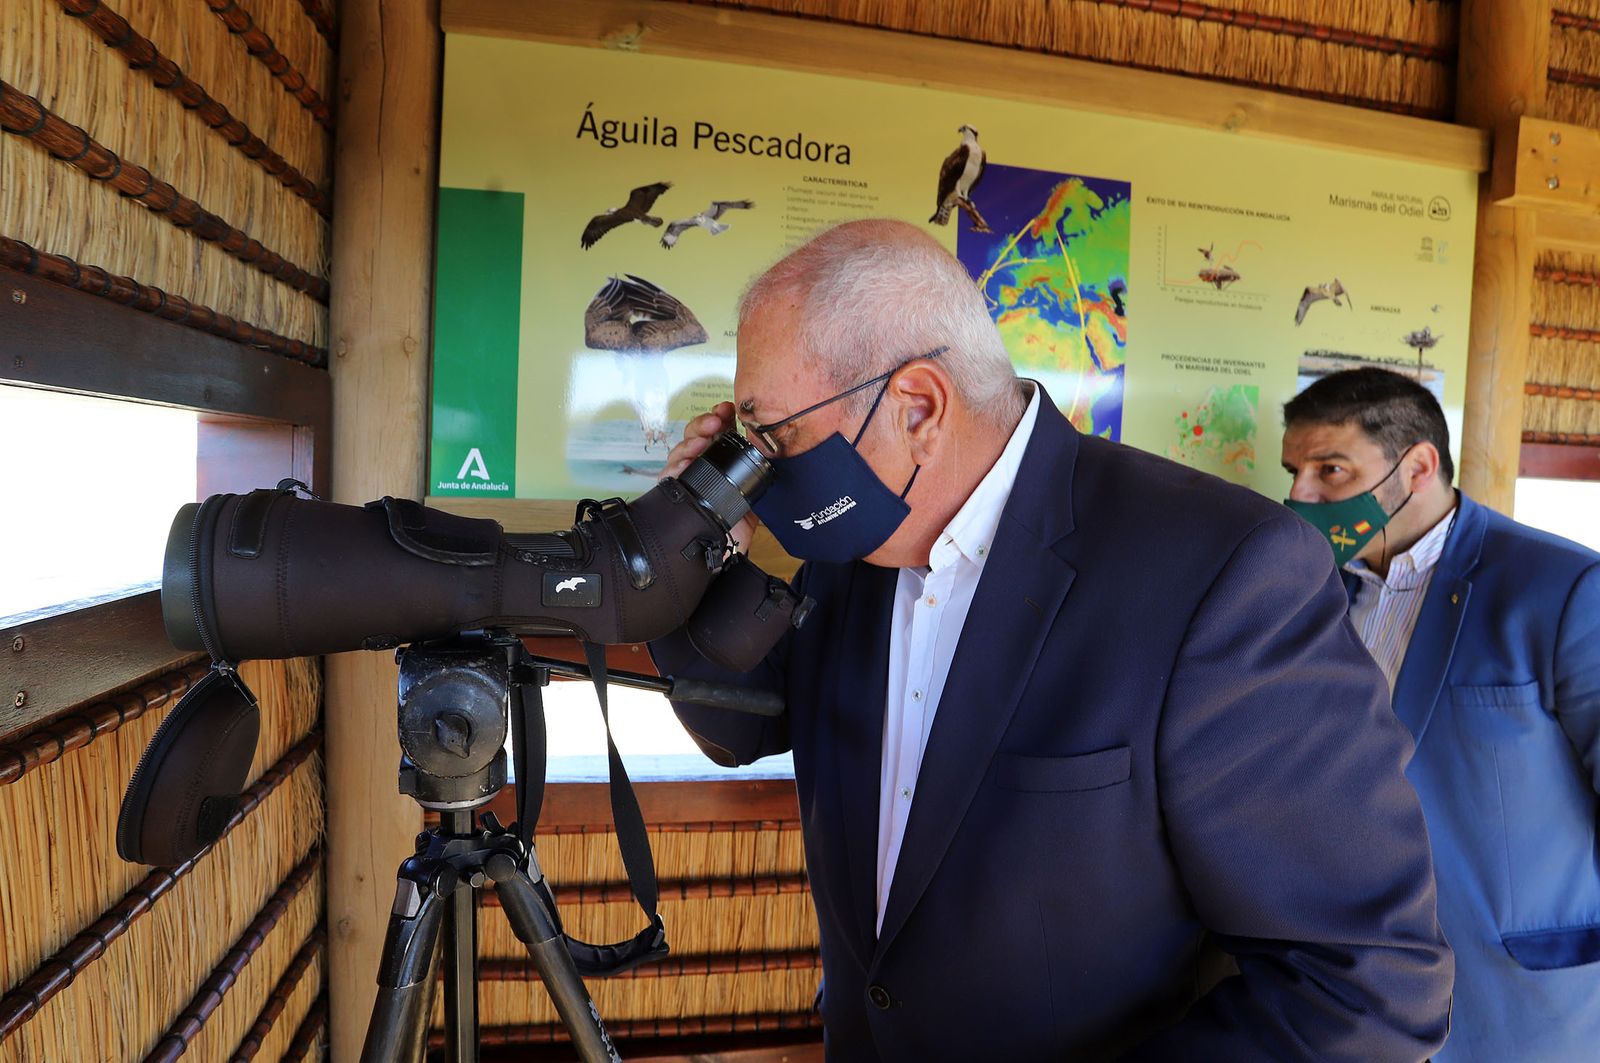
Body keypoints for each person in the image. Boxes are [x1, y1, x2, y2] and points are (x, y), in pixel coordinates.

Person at [654, 219, 1452, 1061]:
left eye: (776, 435)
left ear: (917, 407)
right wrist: (683, 563)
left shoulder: (1221, 573)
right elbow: (744, 720)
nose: (763, 466)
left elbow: (1365, 985)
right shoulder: (858, 543)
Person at [1282, 367, 1600, 1062]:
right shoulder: (1308, 594)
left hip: (1520, 1003)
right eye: (1294, 472)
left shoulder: (1563, 588)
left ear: (1418, 467)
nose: (1300, 495)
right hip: (1351, 993)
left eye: (1330, 469)